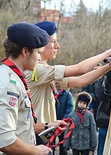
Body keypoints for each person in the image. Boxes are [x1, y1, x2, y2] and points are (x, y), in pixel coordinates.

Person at [24, 20, 111, 127]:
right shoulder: (37, 70)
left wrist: (109, 66)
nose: (57, 46)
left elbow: (80, 81)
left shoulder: (44, 71)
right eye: (53, 41)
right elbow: (80, 69)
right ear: (41, 44)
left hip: (44, 133)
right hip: (35, 134)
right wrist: (108, 53)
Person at [0, 22, 65, 155]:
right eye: (38, 53)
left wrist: (48, 126)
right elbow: (4, 139)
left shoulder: (15, 78)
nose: (40, 58)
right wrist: (35, 151)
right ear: (25, 51)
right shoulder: (8, 84)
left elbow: (20, 127)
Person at [54, 89, 74, 155]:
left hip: (63, 124)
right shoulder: (52, 93)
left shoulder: (67, 95)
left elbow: (69, 108)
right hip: (53, 123)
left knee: (63, 145)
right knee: (51, 143)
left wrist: (64, 120)